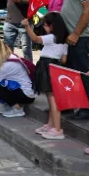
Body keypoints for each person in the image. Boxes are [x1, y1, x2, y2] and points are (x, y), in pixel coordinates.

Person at [21, 12, 68, 140]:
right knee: (51, 97)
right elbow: (64, 59)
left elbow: (35, 39)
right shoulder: (64, 40)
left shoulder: (51, 37)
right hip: (55, 66)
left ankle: (57, 129)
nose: (44, 28)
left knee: (52, 99)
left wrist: (27, 27)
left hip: (47, 65)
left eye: (46, 25)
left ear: (52, 26)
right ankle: (50, 124)